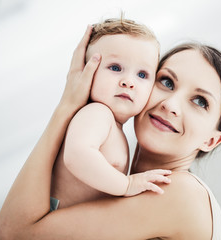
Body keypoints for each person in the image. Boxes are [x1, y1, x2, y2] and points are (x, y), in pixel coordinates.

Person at [0, 23, 221, 239]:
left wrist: (67, 105)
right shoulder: (121, 179)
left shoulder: (180, 194)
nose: (170, 104)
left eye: (200, 101)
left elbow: (11, 235)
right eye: (166, 81)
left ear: (212, 140)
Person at [50, 18, 171, 210]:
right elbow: (77, 155)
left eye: (142, 75)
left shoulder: (113, 127)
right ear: (88, 71)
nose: (128, 82)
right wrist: (127, 185)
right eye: (115, 68)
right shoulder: (97, 113)